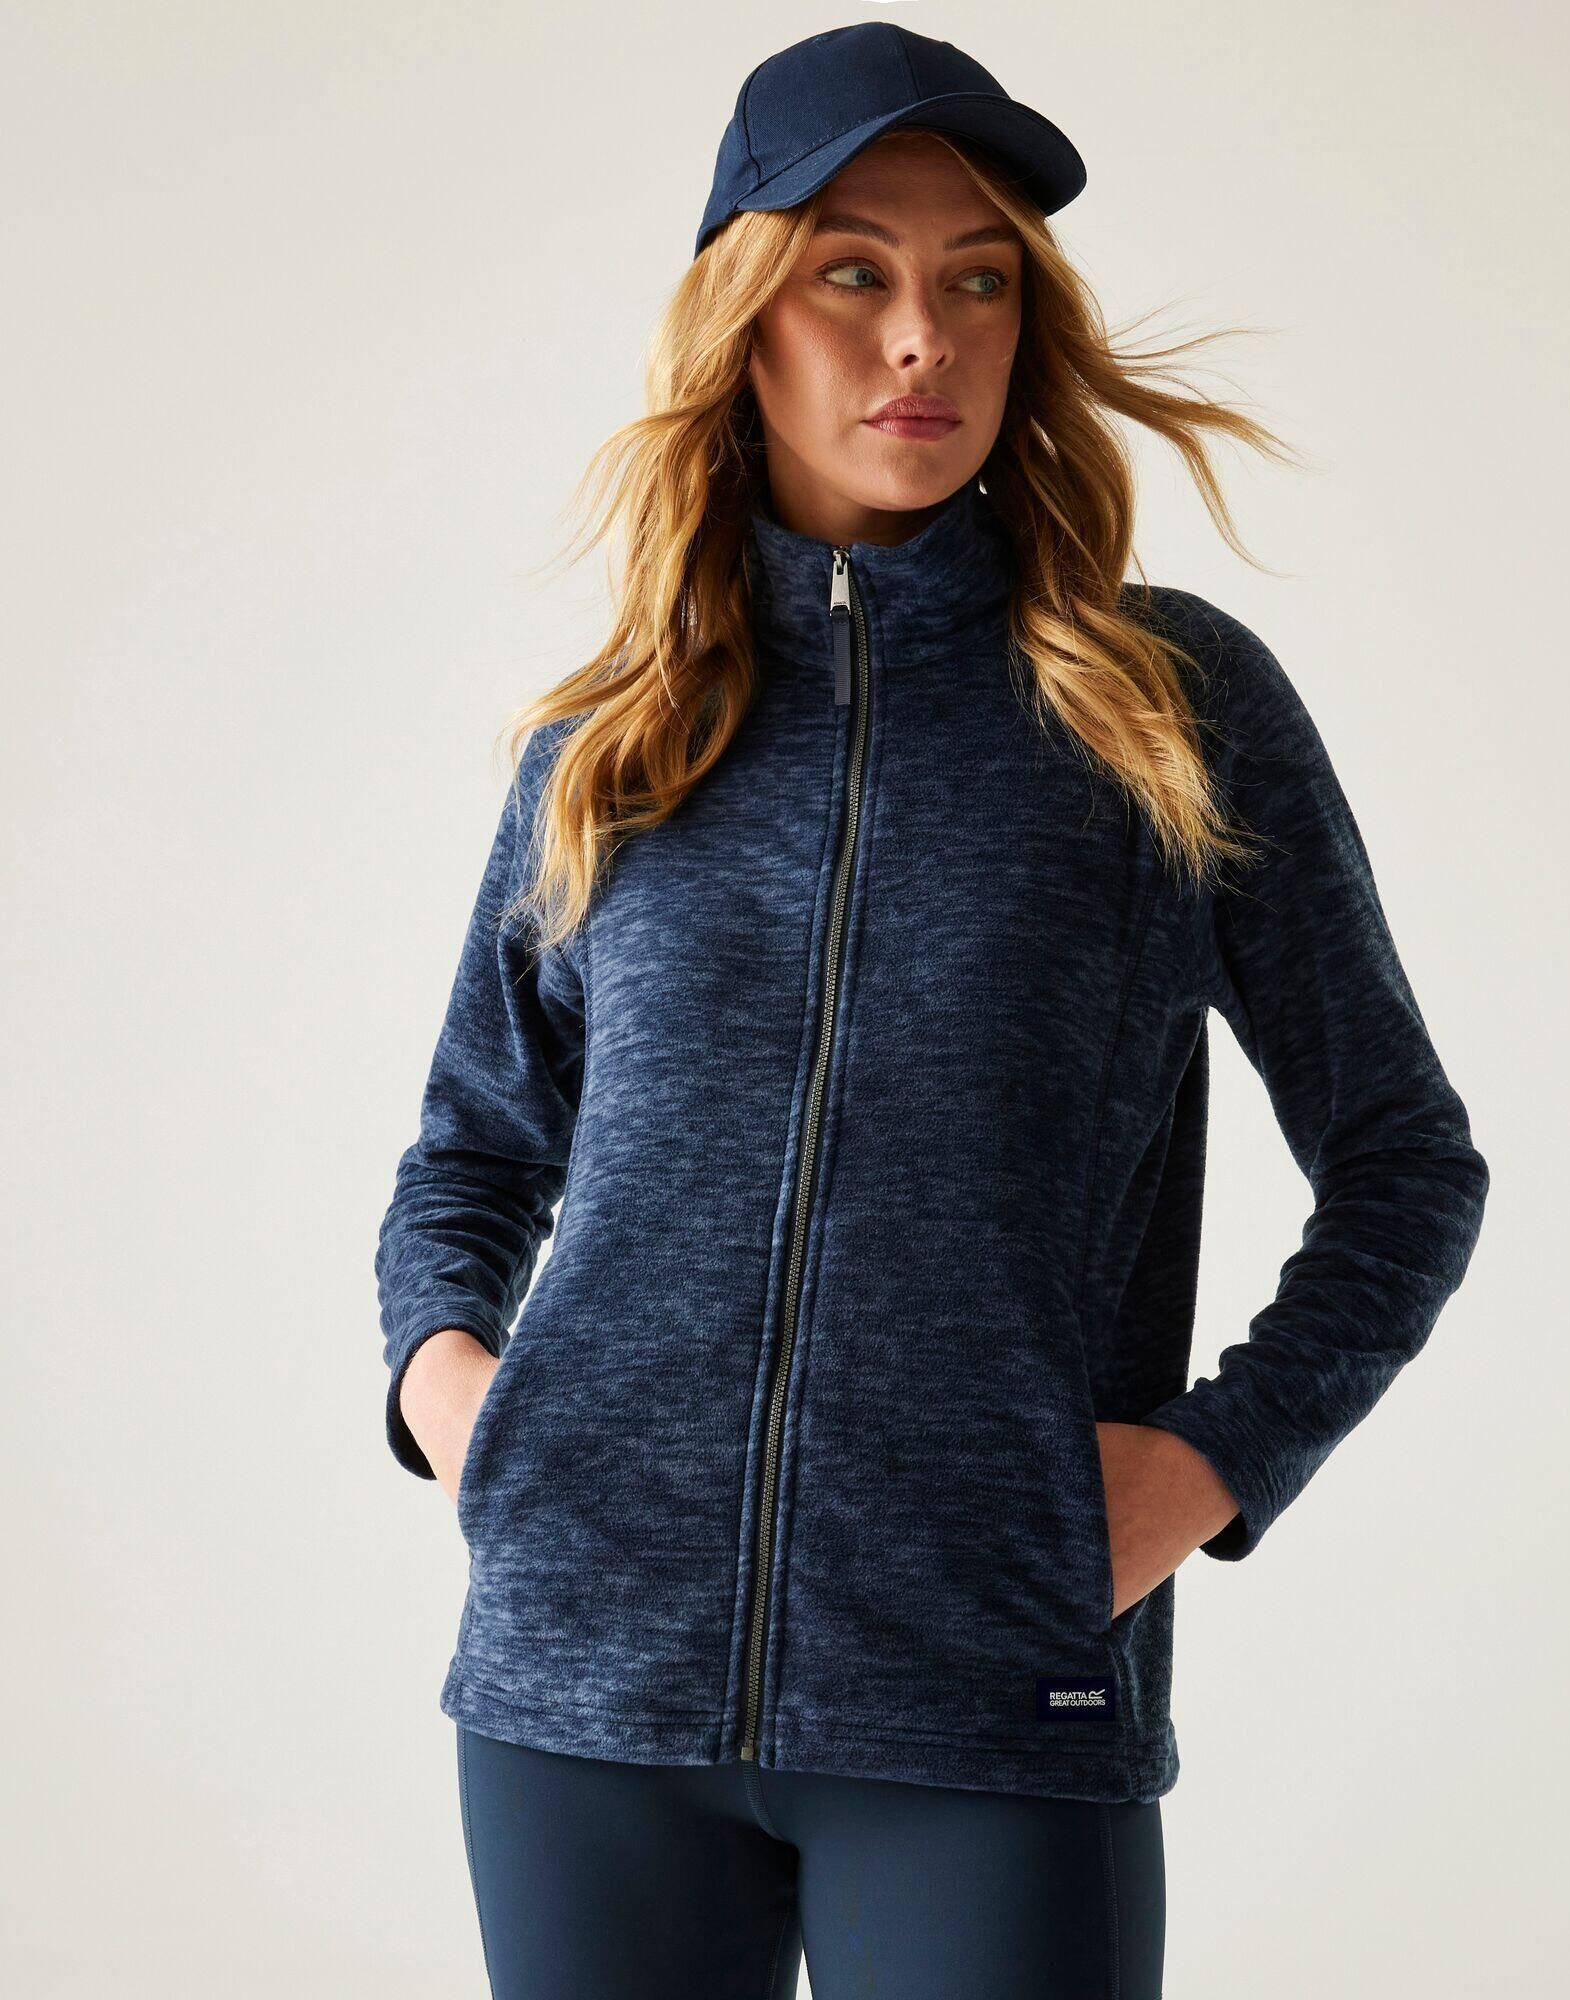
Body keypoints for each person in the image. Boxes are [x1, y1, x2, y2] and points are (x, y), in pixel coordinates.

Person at [375, 22, 1490, 1999]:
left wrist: (1204, 1466)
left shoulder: (1162, 708)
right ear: (743, 321)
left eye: (978, 280)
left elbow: (1407, 1163)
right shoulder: (612, 741)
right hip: (578, 1699)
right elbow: (472, 1152)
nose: (923, 337)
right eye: (852, 273)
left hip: (991, 1690)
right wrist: (462, 1402)